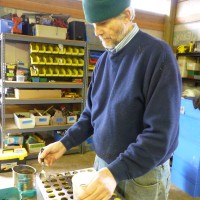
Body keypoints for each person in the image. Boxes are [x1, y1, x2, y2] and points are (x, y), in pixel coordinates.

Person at [38, 0, 182, 199]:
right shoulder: (104, 61)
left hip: (141, 175)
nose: (97, 31)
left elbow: (160, 136)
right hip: (103, 167)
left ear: (128, 15)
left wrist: (115, 172)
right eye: (93, 24)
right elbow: (91, 114)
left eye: (103, 23)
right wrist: (65, 143)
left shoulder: (158, 56)